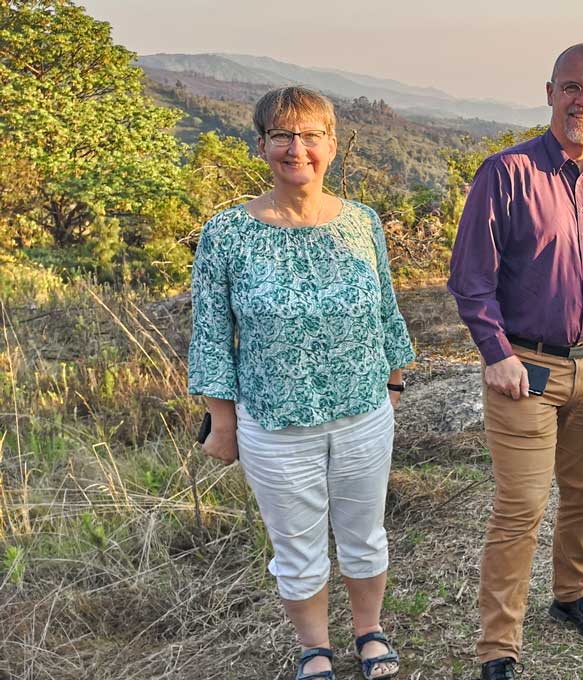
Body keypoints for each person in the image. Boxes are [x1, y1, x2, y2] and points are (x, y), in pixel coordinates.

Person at [448, 43, 583, 680]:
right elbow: (470, 280)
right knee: (520, 508)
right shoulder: (506, 174)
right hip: (527, 370)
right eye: (572, 87)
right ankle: (498, 648)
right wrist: (495, 355)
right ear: (550, 92)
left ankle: (572, 595)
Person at [188, 86, 414, 680]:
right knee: (297, 549)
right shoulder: (227, 234)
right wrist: (224, 421)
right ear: (261, 145)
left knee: (365, 536)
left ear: (332, 144)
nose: (298, 148)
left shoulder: (363, 223)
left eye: (312, 135)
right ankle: (315, 648)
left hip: (365, 413)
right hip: (275, 424)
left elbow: (386, 312)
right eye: (283, 136)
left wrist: (391, 391)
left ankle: (370, 632)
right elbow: (212, 335)